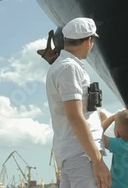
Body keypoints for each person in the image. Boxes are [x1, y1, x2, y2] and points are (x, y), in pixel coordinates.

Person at [46, 17, 111, 188]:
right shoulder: (70, 68)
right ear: (89, 41)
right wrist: (97, 161)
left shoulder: (63, 66)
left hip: (73, 152)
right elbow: (75, 116)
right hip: (81, 153)